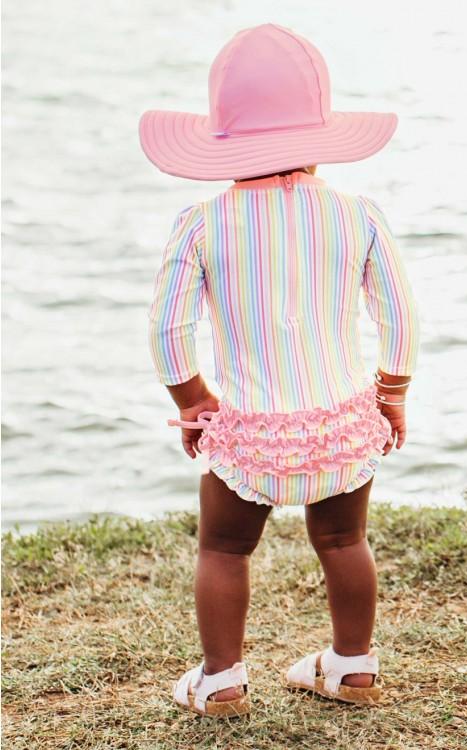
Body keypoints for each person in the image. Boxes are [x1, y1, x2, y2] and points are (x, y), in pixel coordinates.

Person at [139, 22, 419, 718]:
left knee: (225, 549)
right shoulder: (357, 215)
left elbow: (168, 328)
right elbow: (401, 316)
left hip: (251, 433)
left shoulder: (202, 223)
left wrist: (194, 399)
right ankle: (352, 667)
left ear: (224, 141)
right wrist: (391, 393)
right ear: (321, 138)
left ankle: (222, 681)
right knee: (343, 540)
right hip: (340, 425)